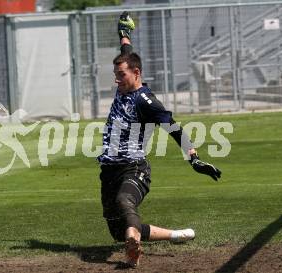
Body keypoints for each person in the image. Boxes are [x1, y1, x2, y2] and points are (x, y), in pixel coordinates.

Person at [97, 12, 222, 268]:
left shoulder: (147, 102)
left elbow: (174, 128)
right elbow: (127, 52)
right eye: (116, 74)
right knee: (116, 230)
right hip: (108, 171)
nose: (116, 79)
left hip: (134, 169)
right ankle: (175, 234)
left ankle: (133, 247)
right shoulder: (126, 75)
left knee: (125, 201)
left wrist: (193, 158)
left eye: (121, 75)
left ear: (136, 73)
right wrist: (124, 33)